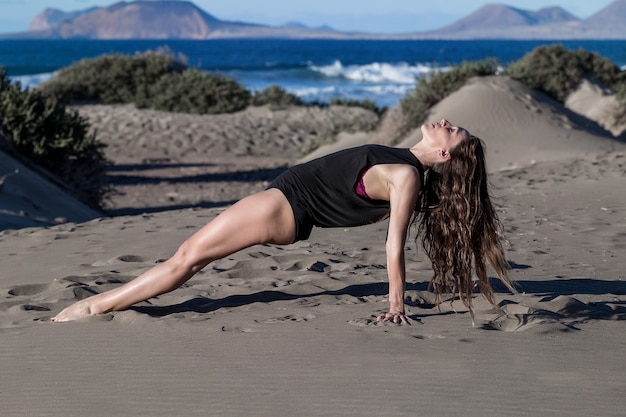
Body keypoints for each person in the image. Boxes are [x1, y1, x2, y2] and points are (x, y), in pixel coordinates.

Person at [51, 119, 514, 324]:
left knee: (187, 258)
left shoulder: (407, 176)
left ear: (446, 152)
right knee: (189, 259)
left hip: (285, 207)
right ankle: (101, 305)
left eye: (454, 129)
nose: (447, 121)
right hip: (284, 202)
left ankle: (96, 308)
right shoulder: (404, 161)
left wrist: (396, 304)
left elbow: (393, 246)